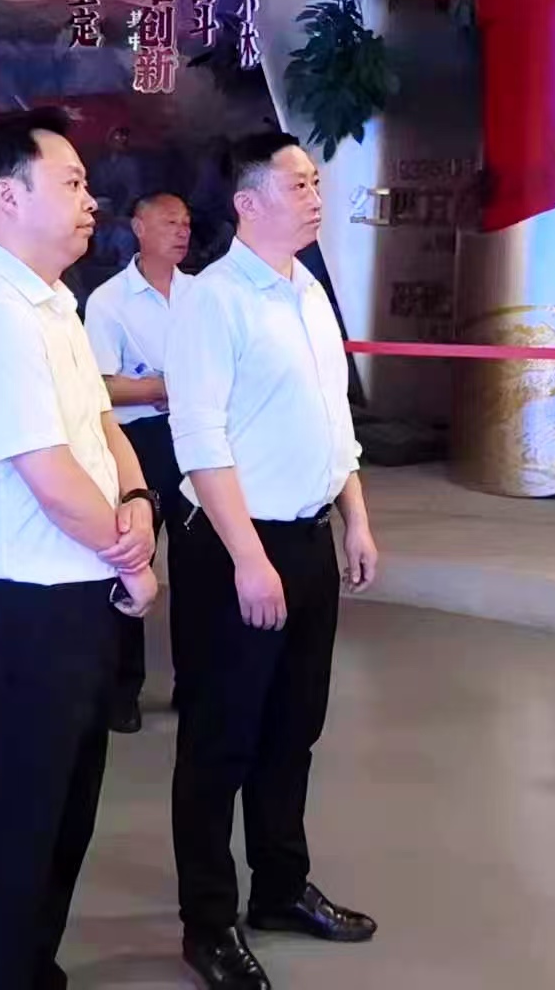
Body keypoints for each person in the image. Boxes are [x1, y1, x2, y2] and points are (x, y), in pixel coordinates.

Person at [0, 107, 161, 990]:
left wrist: (135, 501)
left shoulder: (52, 302)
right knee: (10, 838)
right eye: (72, 182)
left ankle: (31, 970)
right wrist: (133, 561)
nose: (91, 199)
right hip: (20, 615)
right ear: (9, 196)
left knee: (62, 820)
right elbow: (51, 476)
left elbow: (102, 427)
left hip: (73, 600)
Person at [165, 131, 382, 989]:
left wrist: (354, 518)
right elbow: (198, 438)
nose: (314, 194)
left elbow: (334, 418)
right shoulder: (212, 300)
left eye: (315, 180)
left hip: (306, 535)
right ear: (246, 202)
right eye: (297, 183)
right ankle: (206, 920)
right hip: (234, 546)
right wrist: (249, 560)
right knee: (219, 740)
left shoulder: (308, 291)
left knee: (294, 727)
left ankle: (281, 886)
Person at [82, 191, 196, 733]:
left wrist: (162, 386)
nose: (182, 231)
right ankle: (121, 689)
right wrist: (166, 387)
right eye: (170, 222)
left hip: (194, 440)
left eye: (187, 223)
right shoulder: (109, 301)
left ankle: (193, 683)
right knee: (132, 560)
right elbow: (100, 387)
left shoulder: (202, 295)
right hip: (138, 442)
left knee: (199, 566)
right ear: (139, 227)